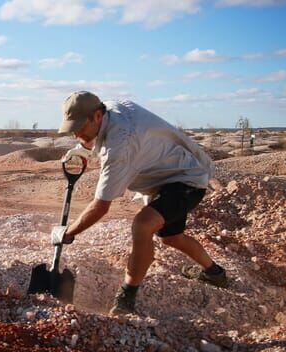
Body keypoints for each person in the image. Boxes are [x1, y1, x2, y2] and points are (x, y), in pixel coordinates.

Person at [53, 91, 227, 316]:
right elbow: (101, 133)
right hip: (167, 176)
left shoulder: (120, 146)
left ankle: (126, 297)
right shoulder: (110, 107)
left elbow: (101, 206)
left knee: (143, 225)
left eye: (80, 127)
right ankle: (215, 273)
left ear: (97, 116)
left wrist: (68, 233)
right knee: (171, 237)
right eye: (72, 128)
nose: (76, 133)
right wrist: (86, 146)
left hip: (186, 179)